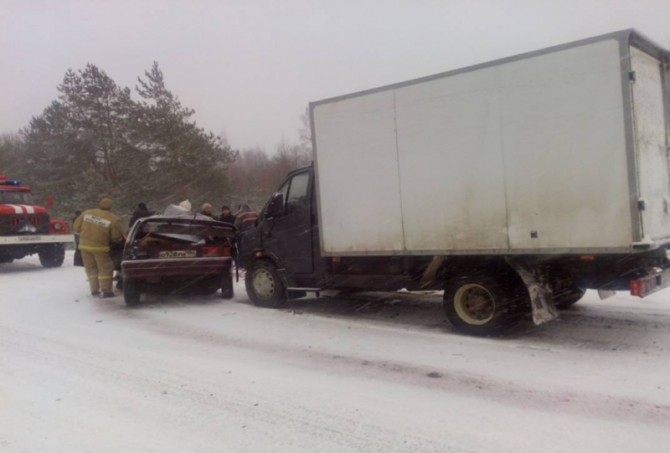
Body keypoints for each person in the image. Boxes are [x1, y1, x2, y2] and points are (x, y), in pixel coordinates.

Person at [72, 198, 124, 298]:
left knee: (91, 269)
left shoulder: (86, 213)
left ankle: (94, 290)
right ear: (110, 207)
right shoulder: (113, 218)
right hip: (100, 248)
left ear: (99, 204)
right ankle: (107, 291)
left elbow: (76, 228)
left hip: (84, 246)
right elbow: (116, 237)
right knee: (105, 269)